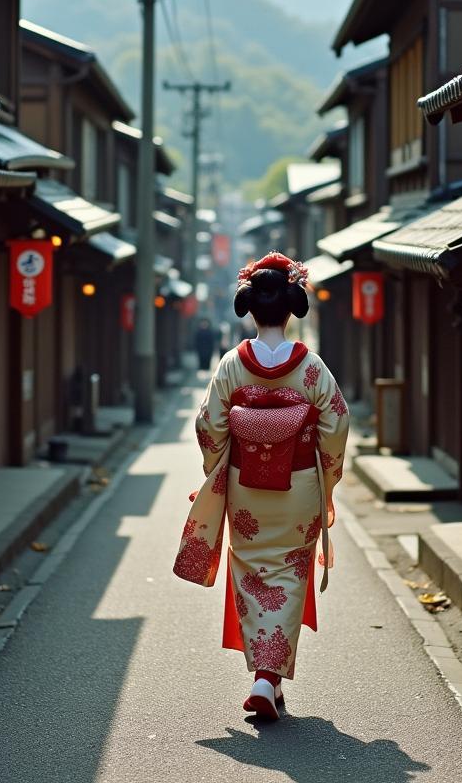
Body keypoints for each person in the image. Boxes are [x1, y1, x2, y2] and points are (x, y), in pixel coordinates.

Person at [172, 252, 350, 720]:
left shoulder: (233, 364)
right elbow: (336, 424)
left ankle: (264, 678)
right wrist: (327, 480)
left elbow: (209, 424)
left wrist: (218, 467)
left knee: (251, 574)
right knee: (290, 574)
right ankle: (267, 679)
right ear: (291, 308)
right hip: (298, 488)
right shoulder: (311, 367)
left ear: (250, 308)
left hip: (246, 487)